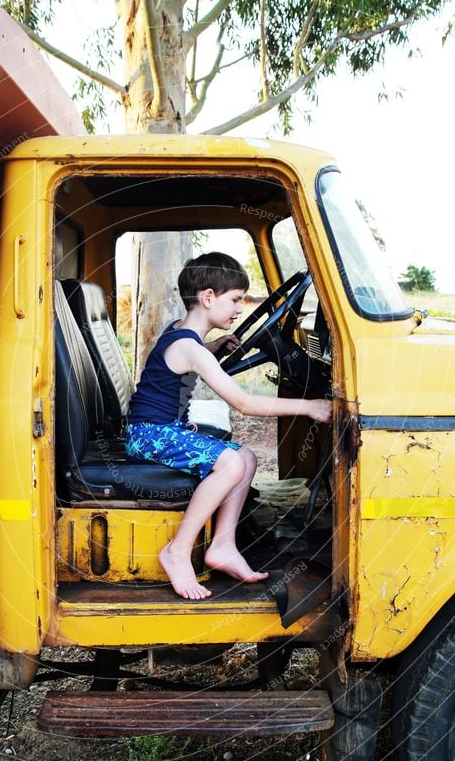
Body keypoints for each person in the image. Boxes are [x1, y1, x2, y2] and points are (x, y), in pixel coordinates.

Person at [125, 252, 332, 600]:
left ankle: (222, 546)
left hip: (158, 429)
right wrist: (309, 406)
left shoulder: (181, 334)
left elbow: (187, 354)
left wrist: (215, 346)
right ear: (208, 298)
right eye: (234, 299)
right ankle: (177, 551)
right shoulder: (192, 350)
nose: (239, 309)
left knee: (247, 458)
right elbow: (244, 403)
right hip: (148, 435)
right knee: (230, 462)